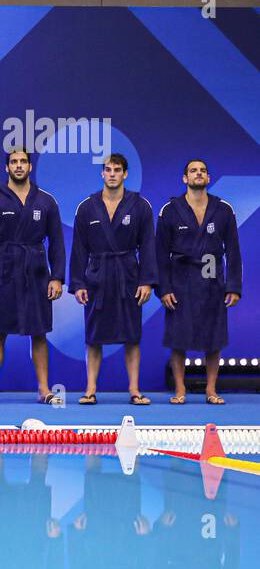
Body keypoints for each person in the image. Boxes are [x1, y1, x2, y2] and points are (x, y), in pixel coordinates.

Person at [0, 149, 67, 405]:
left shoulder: (46, 201)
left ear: (30, 167)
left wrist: (57, 277)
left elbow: (57, 241)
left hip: (36, 271)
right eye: (13, 162)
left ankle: (44, 389)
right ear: (7, 168)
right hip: (4, 269)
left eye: (23, 161)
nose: (18, 166)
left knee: (39, 332)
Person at [69, 153, 157, 405]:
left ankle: (134, 390)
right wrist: (78, 283)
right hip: (97, 275)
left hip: (128, 274)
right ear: (102, 174)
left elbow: (148, 246)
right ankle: (90, 389)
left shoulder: (140, 206)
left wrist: (146, 281)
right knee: (93, 336)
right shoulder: (87, 207)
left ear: (125, 174)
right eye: (107, 169)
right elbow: (79, 249)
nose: (112, 174)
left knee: (132, 335)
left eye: (117, 170)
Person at [156, 159, 243, 405]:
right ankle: (180, 389)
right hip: (180, 280)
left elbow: (234, 251)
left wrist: (233, 287)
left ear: (208, 178)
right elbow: (160, 254)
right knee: (178, 337)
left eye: (203, 171)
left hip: (212, 280)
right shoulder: (170, 210)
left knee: (213, 337)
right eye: (193, 171)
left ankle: (211, 389)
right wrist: (164, 288)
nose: (198, 174)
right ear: (185, 178)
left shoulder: (224, 209)